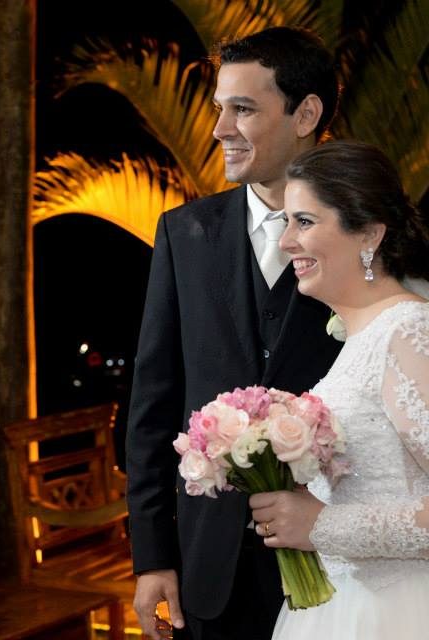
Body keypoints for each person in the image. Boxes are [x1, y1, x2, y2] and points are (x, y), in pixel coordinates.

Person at [126, 27, 342, 640]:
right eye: (219, 108)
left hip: (340, 564)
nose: (220, 129)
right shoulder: (183, 233)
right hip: (210, 570)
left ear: (306, 114)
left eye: (242, 109)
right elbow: (153, 405)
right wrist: (152, 556)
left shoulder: (370, 237)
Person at [249, 140, 429, 640]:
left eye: (304, 222)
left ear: (369, 232)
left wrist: (323, 526)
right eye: (287, 222)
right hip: (340, 605)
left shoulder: (407, 332)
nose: (286, 242)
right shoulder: (360, 335)